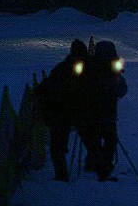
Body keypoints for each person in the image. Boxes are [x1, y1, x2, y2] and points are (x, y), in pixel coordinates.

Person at [36, 39, 88, 182]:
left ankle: (62, 174)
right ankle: (62, 174)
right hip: (61, 112)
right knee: (58, 145)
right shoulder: (66, 69)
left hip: (64, 113)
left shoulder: (65, 68)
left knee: (59, 145)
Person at [78, 40, 127, 181]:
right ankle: (104, 163)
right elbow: (121, 90)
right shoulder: (112, 69)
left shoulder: (87, 66)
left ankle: (95, 161)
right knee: (109, 138)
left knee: (93, 137)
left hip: (89, 113)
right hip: (107, 112)